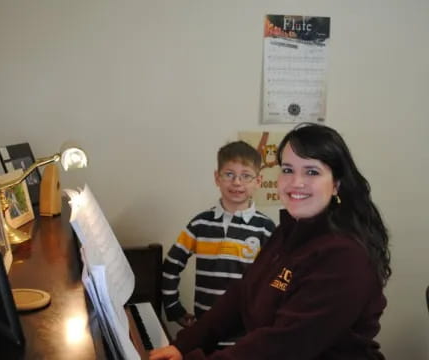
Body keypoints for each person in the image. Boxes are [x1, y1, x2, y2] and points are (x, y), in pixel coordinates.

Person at [151, 123, 391, 360]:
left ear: (336, 184)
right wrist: (183, 345)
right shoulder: (288, 232)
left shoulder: (344, 256)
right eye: (287, 169)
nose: (296, 182)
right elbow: (242, 295)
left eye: (312, 171)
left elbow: (283, 346)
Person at [162, 140, 276, 347]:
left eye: (246, 176)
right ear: (217, 178)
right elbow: (170, 266)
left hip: (246, 336)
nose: (237, 183)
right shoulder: (200, 224)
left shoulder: (266, 228)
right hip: (205, 333)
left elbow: (277, 280)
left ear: (258, 181)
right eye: (229, 174)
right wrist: (173, 308)